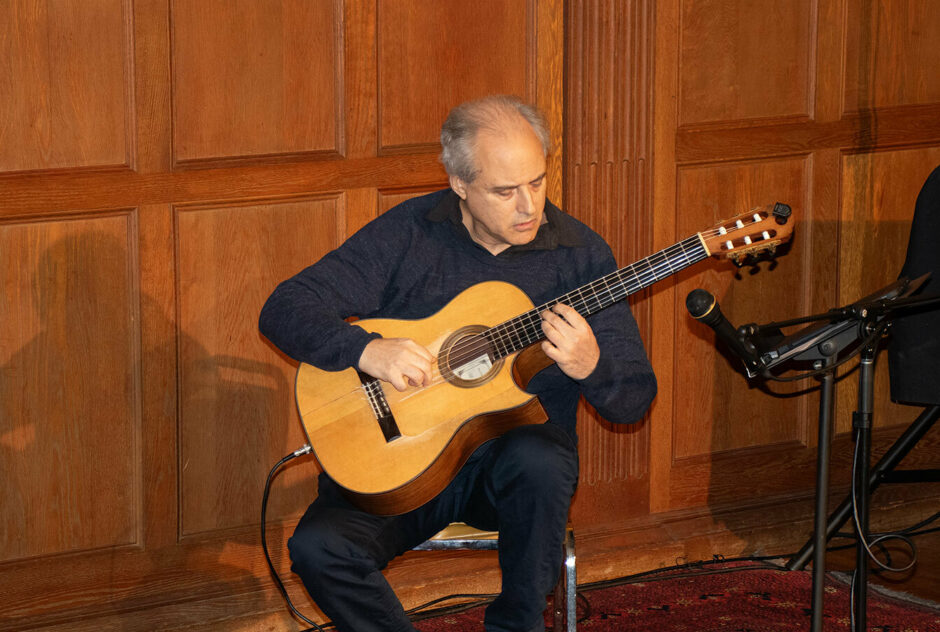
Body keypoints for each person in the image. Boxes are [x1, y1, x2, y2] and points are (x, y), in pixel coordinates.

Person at [259, 95, 657, 632]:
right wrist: (366, 350)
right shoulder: (410, 232)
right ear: (460, 184)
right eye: (505, 190)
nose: (529, 208)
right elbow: (284, 307)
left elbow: (634, 399)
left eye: (537, 182)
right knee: (317, 547)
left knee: (540, 456)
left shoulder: (580, 257)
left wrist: (593, 366)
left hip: (509, 479)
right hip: (404, 464)